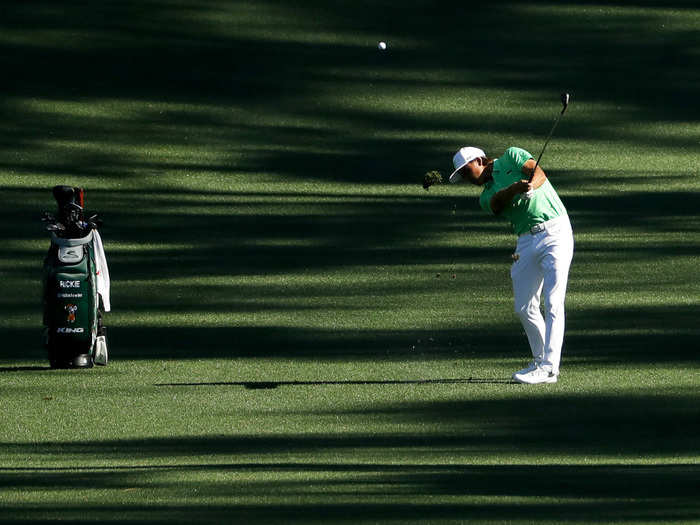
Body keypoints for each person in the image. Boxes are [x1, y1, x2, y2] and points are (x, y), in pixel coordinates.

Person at [449, 146, 574, 384]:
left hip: (555, 230)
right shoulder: (485, 196)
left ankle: (549, 367)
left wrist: (531, 186)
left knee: (554, 301)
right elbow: (497, 202)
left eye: (466, 172)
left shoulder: (512, 156)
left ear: (478, 160)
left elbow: (538, 173)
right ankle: (540, 361)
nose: (466, 179)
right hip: (526, 241)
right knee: (524, 307)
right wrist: (516, 188)